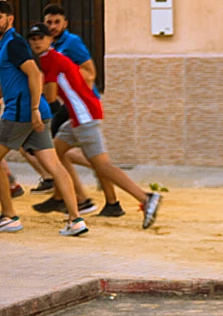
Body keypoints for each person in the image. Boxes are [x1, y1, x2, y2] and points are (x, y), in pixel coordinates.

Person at [27, 23, 162, 229]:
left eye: (40, 38)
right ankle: (64, 197)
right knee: (55, 151)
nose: (36, 42)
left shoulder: (50, 60)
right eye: (33, 39)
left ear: (50, 40)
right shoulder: (50, 57)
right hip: (78, 117)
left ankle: (146, 198)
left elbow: (52, 96)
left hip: (85, 118)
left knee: (103, 165)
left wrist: (32, 88)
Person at [0, 1, 86, 236]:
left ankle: (9, 216)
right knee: (54, 166)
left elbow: (35, 74)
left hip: (21, 114)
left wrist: (35, 108)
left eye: (0, 17)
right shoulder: (8, 44)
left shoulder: (13, 44)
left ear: (10, 19)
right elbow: (9, 81)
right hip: (33, 114)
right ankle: (76, 219)